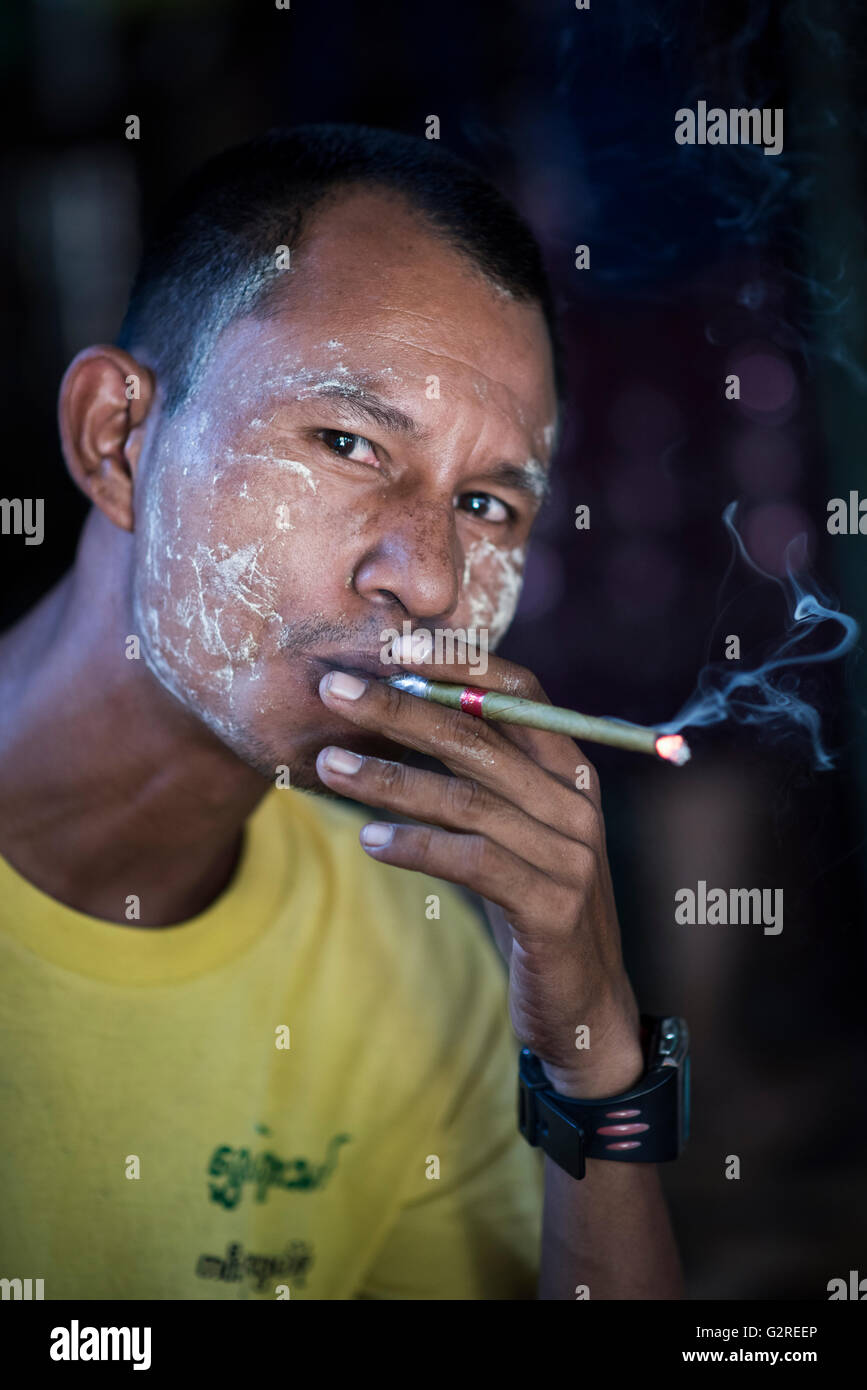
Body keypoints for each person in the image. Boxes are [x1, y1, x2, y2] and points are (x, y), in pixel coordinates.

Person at [0, 125, 683, 1299]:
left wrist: (592, 1058)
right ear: (115, 438)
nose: (427, 578)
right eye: (349, 440)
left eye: (483, 503)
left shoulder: (420, 948)